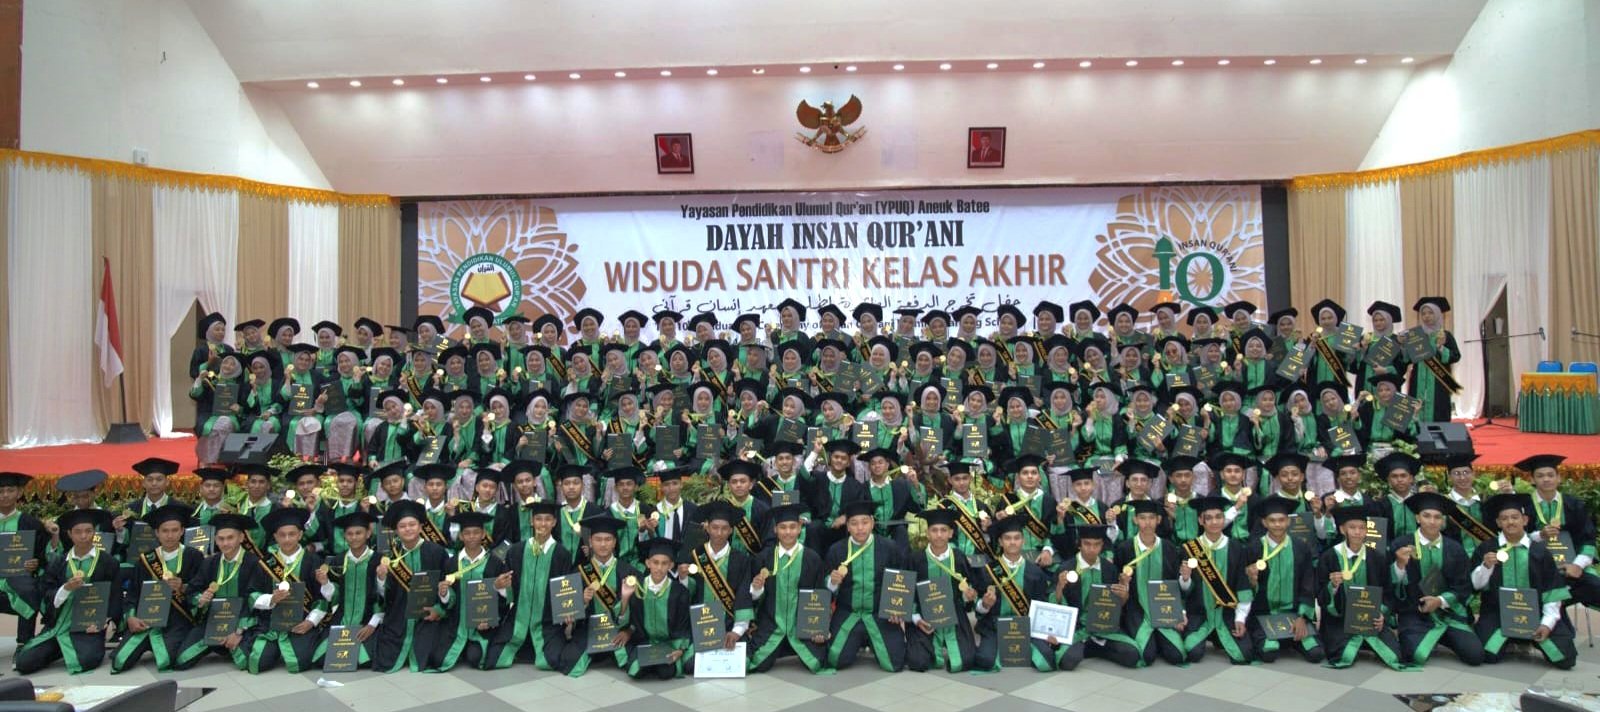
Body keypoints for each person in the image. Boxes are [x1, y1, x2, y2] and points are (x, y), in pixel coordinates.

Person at [1472, 493, 1577, 669]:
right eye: (1504, 518)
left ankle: (1521, 638)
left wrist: (1547, 623)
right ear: (1498, 523)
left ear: (1525, 520)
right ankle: (1511, 638)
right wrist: (1486, 566)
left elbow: (1552, 591)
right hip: (1497, 613)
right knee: (1485, 654)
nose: (1510, 522)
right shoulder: (1487, 548)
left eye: (1515, 517)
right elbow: (1476, 585)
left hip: (1536, 614)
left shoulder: (1540, 552)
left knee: (1566, 659)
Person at [16, 509, 119, 674]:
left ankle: (64, 648)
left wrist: (103, 622)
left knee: (88, 660)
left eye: (88, 531)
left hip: (88, 627)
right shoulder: (59, 562)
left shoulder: (108, 562)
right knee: (24, 662)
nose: (84, 536)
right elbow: (45, 594)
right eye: (78, 532)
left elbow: (114, 596)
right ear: (70, 534)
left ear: (95, 532)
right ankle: (59, 648)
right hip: (58, 625)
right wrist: (66, 588)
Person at [1390, 492, 1484, 667]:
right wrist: (1400, 565)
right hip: (1414, 612)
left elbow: (1463, 586)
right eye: (1426, 516)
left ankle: (1441, 636)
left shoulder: (1455, 549)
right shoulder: (1401, 545)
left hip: (1448, 613)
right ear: (1418, 518)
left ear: (1443, 521)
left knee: (1475, 655)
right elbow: (1390, 584)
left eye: (1437, 517)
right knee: (1413, 655)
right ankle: (1429, 637)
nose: (1432, 521)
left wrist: (1440, 601)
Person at [111, 504, 205, 672]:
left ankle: (156, 644)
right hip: (147, 619)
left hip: (179, 620)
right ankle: (146, 642)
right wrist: (131, 618)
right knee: (119, 661)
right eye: (165, 531)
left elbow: (200, 589)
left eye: (175, 530)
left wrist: (184, 587)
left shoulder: (194, 556)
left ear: (182, 531)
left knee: (167, 659)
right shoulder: (146, 559)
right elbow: (133, 594)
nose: (170, 536)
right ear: (157, 533)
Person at [484, 500, 575, 671]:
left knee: (550, 661)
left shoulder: (562, 554)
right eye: (538, 519)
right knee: (493, 659)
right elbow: (509, 590)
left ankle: (535, 646)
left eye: (548, 519)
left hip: (547, 621)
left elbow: (566, 590)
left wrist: (568, 611)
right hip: (517, 619)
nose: (543, 524)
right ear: (531, 521)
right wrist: (499, 586)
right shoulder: (516, 551)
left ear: (554, 522)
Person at [1316, 506, 1408, 669]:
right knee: (1342, 655)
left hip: (1371, 620)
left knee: (1395, 655)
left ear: (1367, 531)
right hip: (1340, 620)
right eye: (1352, 528)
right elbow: (1320, 593)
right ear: (1342, 529)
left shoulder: (1377, 557)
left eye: (1362, 528)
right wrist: (1333, 586)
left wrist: (1381, 614)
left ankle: (1366, 641)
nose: (1357, 532)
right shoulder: (1329, 557)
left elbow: (1387, 592)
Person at [243, 508, 332, 674]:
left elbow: (321, 599)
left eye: (292, 534)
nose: (287, 539)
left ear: (300, 535)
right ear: (275, 537)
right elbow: (252, 595)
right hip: (271, 623)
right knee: (258, 662)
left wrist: (310, 622)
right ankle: (274, 648)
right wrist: (271, 599)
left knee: (300, 661)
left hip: (301, 622)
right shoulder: (266, 563)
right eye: (282, 535)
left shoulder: (313, 561)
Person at [824, 500, 907, 672]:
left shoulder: (889, 548)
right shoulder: (836, 550)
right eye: (854, 523)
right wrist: (832, 582)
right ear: (847, 526)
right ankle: (858, 640)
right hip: (848, 613)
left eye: (865, 522)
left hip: (880, 613)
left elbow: (900, 581)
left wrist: (897, 609)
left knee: (895, 662)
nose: (860, 528)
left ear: (872, 523)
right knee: (835, 659)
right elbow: (824, 589)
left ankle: (867, 639)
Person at [174, 513, 265, 669]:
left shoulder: (254, 563)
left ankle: (232, 643)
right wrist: (200, 599)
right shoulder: (210, 562)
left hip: (243, 624)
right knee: (182, 660)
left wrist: (239, 631)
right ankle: (217, 644)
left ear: (241, 538)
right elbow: (193, 590)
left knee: (246, 662)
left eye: (230, 538)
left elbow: (255, 600)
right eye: (221, 539)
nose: (225, 543)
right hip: (214, 621)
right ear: (215, 540)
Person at [747, 504, 831, 673]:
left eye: (792, 527)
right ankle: (782, 646)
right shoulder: (763, 558)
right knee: (757, 663)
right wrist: (756, 589)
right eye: (783, 527)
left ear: (800, 528)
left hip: (803, 625)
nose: (788, 532)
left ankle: (787, 647)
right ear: (775, 530)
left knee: (817, 661)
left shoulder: (812, 558)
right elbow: (754, 599)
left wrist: (820, 628)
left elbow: (820, 594)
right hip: (771, 623)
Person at [374, 500, 454, 672]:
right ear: (396, 530)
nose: (408, 529)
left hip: (428, 616)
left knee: (435, 656)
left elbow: (448, 586)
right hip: (399, 617)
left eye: (412, 524)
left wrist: (439, 610)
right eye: (402, 526)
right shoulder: (390, 556)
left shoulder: (436, 552)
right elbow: (385, 597)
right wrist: (381, 579)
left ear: (420, 527)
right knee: (382, 656)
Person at [1244, 497, 1324, 663]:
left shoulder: (1300, 548)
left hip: (1294, 613)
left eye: (1281, 520)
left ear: (1288, 521)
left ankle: (1290, 639)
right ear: (1264, 523)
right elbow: (1244, 588)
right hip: (1264, 614)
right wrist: (1251, 581)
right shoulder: (1254, 548)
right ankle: (1284, 640)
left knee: (1316, 654)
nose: (1277, 524)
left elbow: (1308, 585)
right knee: (1268, 654)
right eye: (1272, 521)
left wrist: (1302, 617)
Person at [973, 517, 1054, 671]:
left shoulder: (1035, 572)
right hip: (995, 626)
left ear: (1023, 541)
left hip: (1026, 627)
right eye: (1007, 538)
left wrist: (1046, 632)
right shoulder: (988, 570)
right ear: (1000, 542)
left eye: (1017, 538)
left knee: (1047, 658)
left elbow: (1041, 605)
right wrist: (984, 605)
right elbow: (977, 608)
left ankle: (1016, 648)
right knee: (984, 660)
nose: (1012, 542)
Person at [1179, 496, 1253, 664]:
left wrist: (1240, 618)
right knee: (1192, 653)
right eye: (1209, 518)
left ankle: (1217, 635)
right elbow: (1183, 591)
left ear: (1223, 519)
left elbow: (1242, 585)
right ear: (1201, 521)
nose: (1214, 522)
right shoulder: (1190, 549)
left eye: (1219, 517)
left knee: (1244, 655)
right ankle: (1211, 634)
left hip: (1227, 613)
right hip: (1199, 613)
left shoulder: (1236, 548)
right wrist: (1185, 578)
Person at [904, 508, 978, 673]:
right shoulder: (916, 559)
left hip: (954, 615)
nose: (939, 535)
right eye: (934, 530)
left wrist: (969, 595)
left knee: (967, 659)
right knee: (918, 661)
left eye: (943, 530)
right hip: (925, 616)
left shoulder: (958, 557)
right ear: (927, 533)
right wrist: (916, 619)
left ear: (951, 533)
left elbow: (970, 587)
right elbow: (907, 593)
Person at [565, 515, 638, 676]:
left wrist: (629, 632)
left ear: (615, 542)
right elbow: (568, 612)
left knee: (636, 664)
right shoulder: (579, 572)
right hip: (589, 630)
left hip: (619, 631)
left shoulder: (629, 572)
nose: (603, 544)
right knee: (567, 659)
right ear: (590, 542)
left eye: (608, 539)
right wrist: (582, 602)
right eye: (598, 539)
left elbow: (639, 611)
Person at [434, 511, 507, 671]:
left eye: (476, 532)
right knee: (438, 659)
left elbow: (503, 601)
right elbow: (450, 600)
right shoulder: (451, 564)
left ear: (483, 534)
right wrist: (444, 593)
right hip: (457, 625)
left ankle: (469, 648)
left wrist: (490, 619)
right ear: (461, 536)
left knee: (477, 658)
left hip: (483, 627)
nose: (471, 537)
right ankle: (463, 646)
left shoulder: (495, 563)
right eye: (467, 533)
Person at [315, 510, 384, 670]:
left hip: (370, 618)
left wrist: (372, 624)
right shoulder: (338, 561)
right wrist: (325, 583)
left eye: (358, 533)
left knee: (366, 659)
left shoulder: (379, 560)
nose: (354, 537)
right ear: (344, 536)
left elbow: (386, 596)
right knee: (322, 658)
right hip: (342, 617)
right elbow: (333, 597)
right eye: (350, 534)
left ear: (368, 533)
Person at [625, 537, 693, 679]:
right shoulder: (637, 588)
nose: (659, 568)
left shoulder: (679, 591)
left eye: (664, 563)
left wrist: (680, 649)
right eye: (655, 562)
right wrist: (625, 597)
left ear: (671, 565)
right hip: (643, 641)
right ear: (647, 563)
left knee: (666, 673)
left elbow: (683, 624)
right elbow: (629, 619)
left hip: (669, 643)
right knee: (636, 671)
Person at [0, 472, 46, 647]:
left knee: (30, 591)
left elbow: (42, 556)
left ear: (19, 493)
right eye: (1, 491)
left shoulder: (31, 524)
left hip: (20, 581)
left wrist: (36, 563)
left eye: (10, 490)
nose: (5, 495)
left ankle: (24, 644)